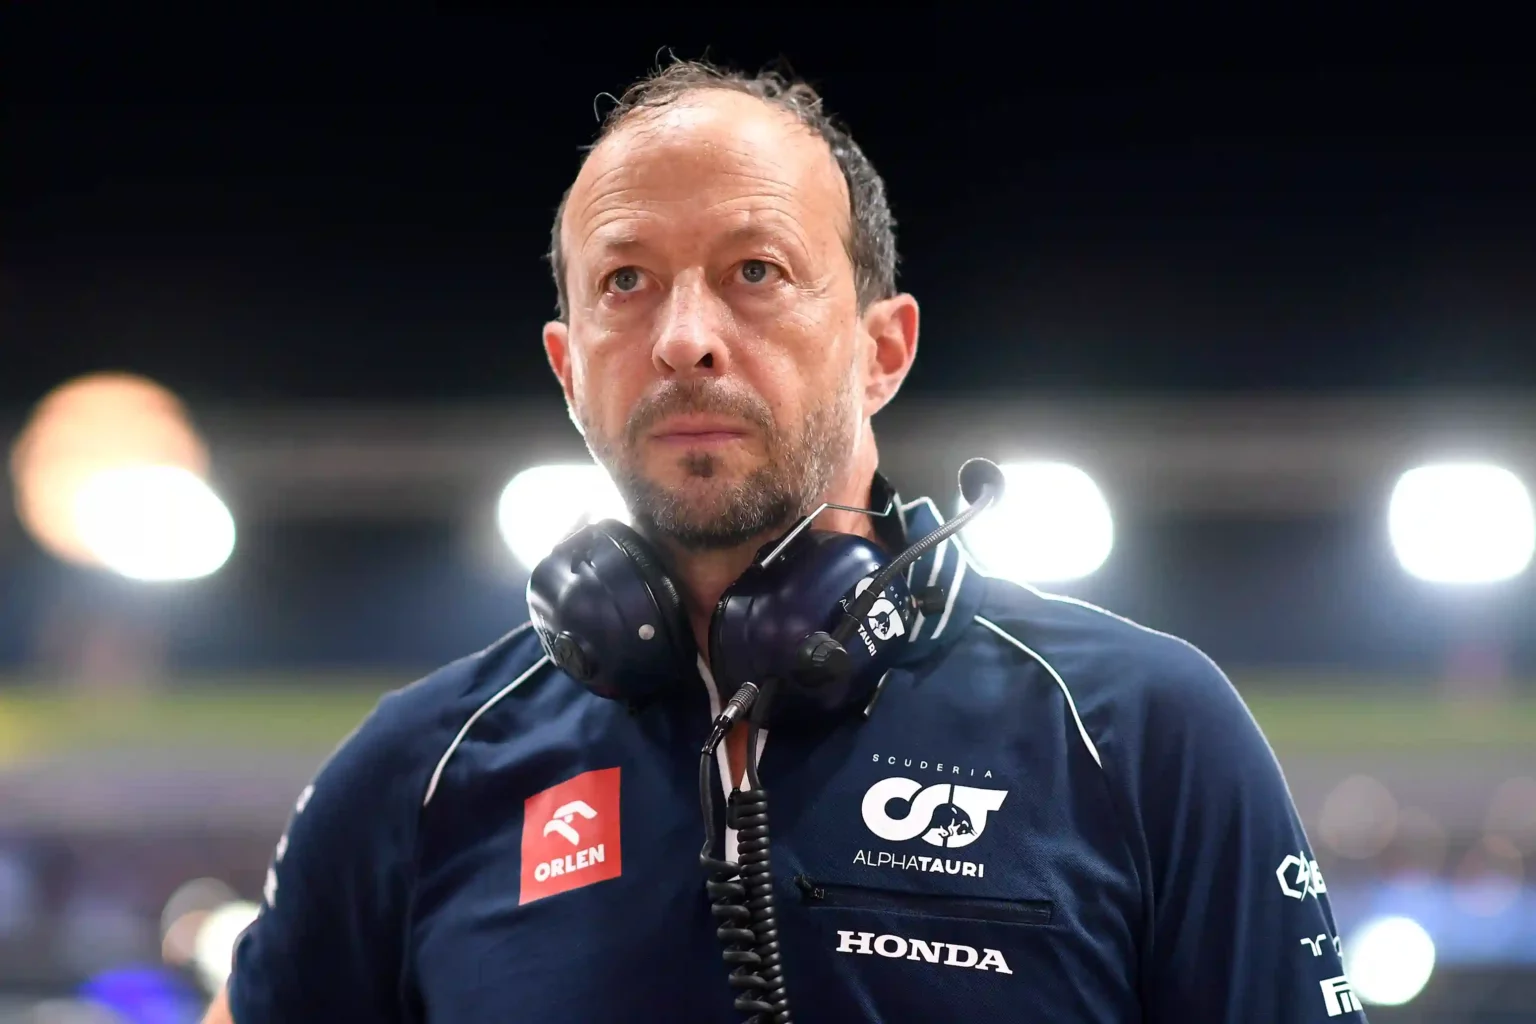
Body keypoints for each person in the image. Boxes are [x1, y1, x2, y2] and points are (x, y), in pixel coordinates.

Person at [208, 58, 1363, 1023]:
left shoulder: (1141, 728)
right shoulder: (417, 771)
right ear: (569, 369)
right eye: (626, 281)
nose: (685, 338)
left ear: (883, 349)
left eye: (755, 271)